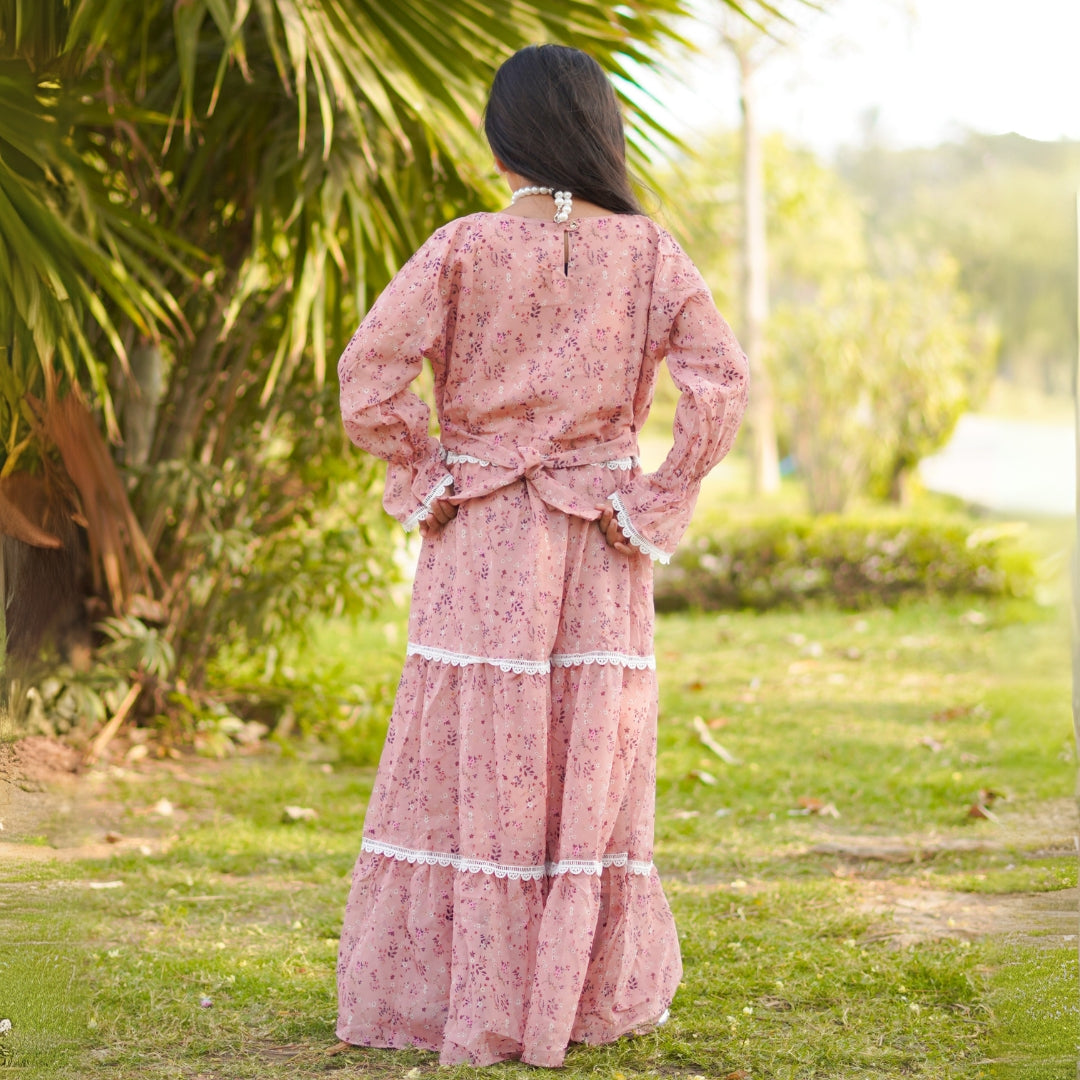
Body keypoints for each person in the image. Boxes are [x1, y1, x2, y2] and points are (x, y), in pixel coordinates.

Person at [334, 43, 749, 1069]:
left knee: (472, 749)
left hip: (480, 534)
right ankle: (571, 996)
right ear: (601, 135)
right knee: (586, 748)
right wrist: (652, 498)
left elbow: (368, 374)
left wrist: (428, 469)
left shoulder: (462, 247)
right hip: (598, 534)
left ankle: (460, 997)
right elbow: (721, 383)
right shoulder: (649, 253)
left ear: (501, 141)